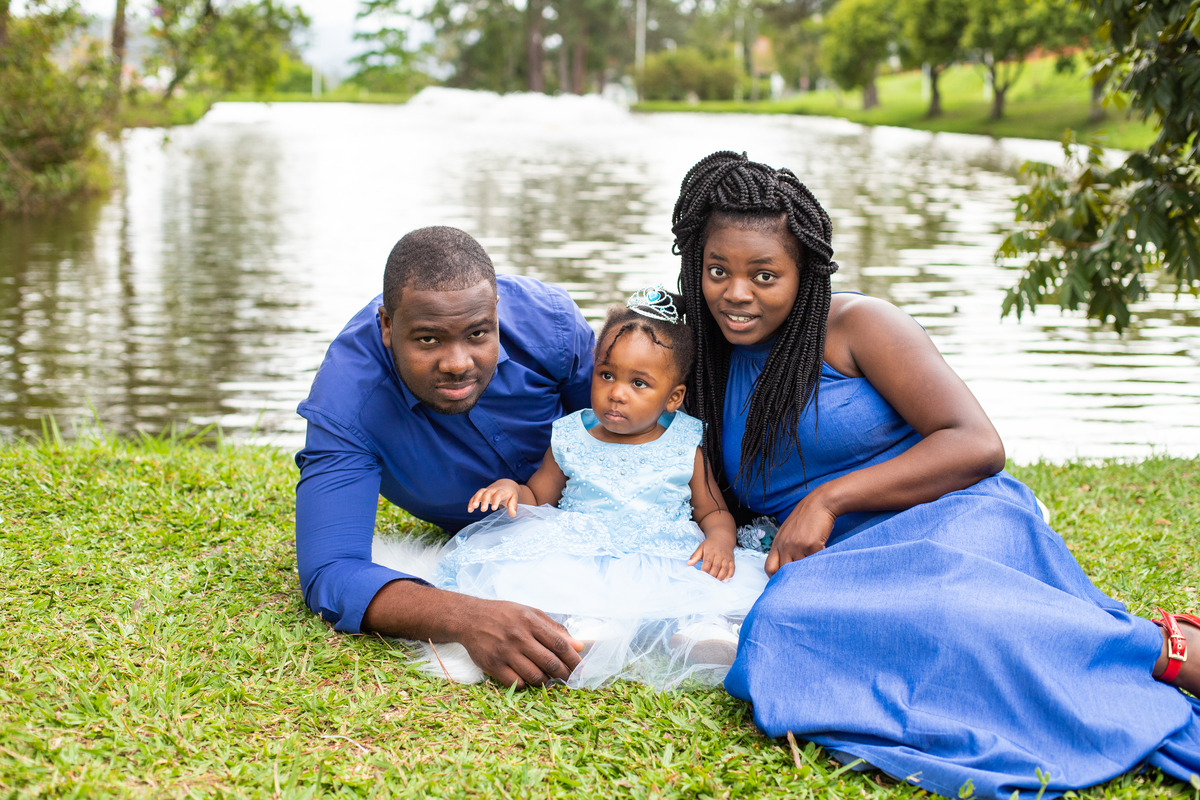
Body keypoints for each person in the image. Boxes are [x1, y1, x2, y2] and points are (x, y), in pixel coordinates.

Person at [669, 151, 1200, 798]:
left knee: (952, 608)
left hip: (949, 513)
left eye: (764, 275)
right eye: (717, 270)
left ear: (803, 272)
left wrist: (829, 499)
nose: (736, 293)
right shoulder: (701, 358)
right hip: (844, 560)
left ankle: (1163, 649)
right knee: (785, 625)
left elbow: (977, 443)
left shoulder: (858, 327)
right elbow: (645, 426)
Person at [294, 226, 596, 689]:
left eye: (478, 333)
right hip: (481, 541)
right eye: (428, 340)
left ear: (496, 313)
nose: (458, 363)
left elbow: (623, 426)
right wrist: (468, 618)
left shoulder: (550, 324)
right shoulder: (346, 399)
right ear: (387, 326)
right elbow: (331, 571)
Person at [430, 288, 770, 689]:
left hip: (664, 554)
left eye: (639, 383)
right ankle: (587, 623)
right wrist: (511, 490)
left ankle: (703, 627)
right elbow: (538, 496)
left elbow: (712, 509)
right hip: (583, 551)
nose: (617, 393)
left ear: (673, 397)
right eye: (606, 375)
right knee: (558, 583)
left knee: (706, 587)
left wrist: (720, 540)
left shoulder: (683, 442)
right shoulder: (572, 435)